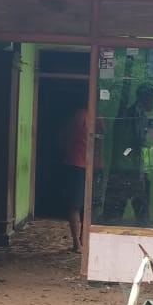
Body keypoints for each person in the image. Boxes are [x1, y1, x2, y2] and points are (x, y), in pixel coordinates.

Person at [101, 82, 153, 225]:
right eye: (151, 98)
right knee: (117, 212)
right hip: (127, 169)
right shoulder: (132, 115)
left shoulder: (141, 115)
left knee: (137, 209)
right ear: (144, 97)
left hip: (133, 167)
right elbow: (130, 143)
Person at [62, 106, 89, 252]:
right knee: (84, 206)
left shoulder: (82, 115)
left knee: (75, 205)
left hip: (77, 164)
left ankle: (78, 244)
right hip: (86, 164)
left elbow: (67, 137)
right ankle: (80, 242)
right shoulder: (95, 116)